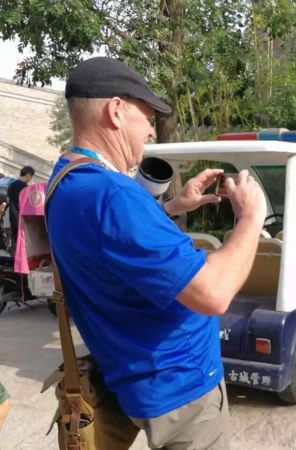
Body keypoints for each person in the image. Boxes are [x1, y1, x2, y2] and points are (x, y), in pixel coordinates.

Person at [46, 57, 267, 449]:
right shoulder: (115, 195)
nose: (151, 130)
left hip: (135, 380)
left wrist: (170, 208)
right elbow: (213, 293)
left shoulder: (66, 180)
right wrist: (251, 218)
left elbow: (110, 242)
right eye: (147, 116)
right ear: (116, 111)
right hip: (182, 388)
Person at [7, 166, 35, 255]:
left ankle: (12, 257)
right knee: (21, 240)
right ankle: (18, 259)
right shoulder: (26, 188)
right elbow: (27, 205)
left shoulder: (11, 185)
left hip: (12, 216)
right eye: (31, 177)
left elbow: (9, 199)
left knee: (14, 239)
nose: (30, 179)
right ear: (28, 175)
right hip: (21, 217)